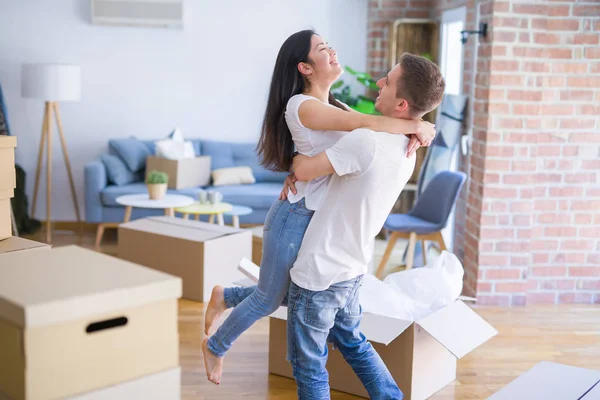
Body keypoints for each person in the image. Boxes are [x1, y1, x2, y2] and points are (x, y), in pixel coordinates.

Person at [201, 29, 435, 385]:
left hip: (314, 218)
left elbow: (358, 134)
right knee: (269, 298)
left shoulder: (333, 106)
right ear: (305, 68)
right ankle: (216, 345)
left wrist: (420, 126)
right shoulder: (302, 105)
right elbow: (366, 124)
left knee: (287, 294)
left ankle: (227, 295)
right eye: (323, 49)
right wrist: (419, 124)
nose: (332, 50)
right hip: (295, 216)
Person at [286, 52, 445, 399]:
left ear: (401, 104)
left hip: (321, 270)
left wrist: (297, 158)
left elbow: (301, 170)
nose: (378, 83)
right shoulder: (408, 145)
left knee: (308, 366)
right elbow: (353, 118)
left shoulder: (366, 141)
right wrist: (418, 125)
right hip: (353, 268)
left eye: (387, 81)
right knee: (353, 343)